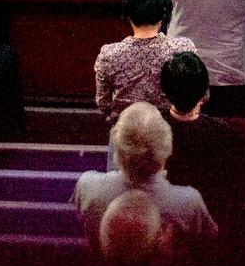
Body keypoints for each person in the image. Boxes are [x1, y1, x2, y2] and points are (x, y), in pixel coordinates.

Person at [72, 102, 218, 253]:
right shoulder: (189, 202)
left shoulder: (87, 186)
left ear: (116, 145)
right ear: (165, 147)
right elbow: (210, 245)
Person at [158, 51, 245, 237]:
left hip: (162, 218)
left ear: (164, 91)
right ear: (205, 92)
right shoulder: (227, 133)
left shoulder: (152, 129)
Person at [94, 0, 199, 121]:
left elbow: (103, 104)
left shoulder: (109, 54)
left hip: (126, 133)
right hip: (170, 132)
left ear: (128, 14)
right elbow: (200, 95)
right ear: (165, 12)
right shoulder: (183, 48)